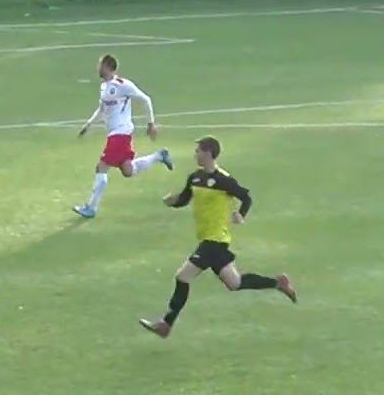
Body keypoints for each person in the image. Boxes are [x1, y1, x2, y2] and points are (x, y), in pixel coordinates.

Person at [139, 136, 296, 340]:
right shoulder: (194, 178)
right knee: (235, 283)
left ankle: (166, 324)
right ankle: (278, 283)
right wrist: (172, 201)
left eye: (198, 151)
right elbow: (185, 199)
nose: (195, 154)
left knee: (183, 276)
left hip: (215, 240)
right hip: (209, 239)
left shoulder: (224, 180)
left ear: (208, 153)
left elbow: (246, 197)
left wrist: (241, 214)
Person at [72, 54, 172, 219]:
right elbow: (102, 109)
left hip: (120, 133)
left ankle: (91, 207)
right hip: (118, 134)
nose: (97, 68)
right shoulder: (104, 87)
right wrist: (88, 125)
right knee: (128, 170)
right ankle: (159, 156)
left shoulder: (123, 85)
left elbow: (146, 99)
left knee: (101, 167)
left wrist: (151, 124)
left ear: (107, 67)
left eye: (100, 65)